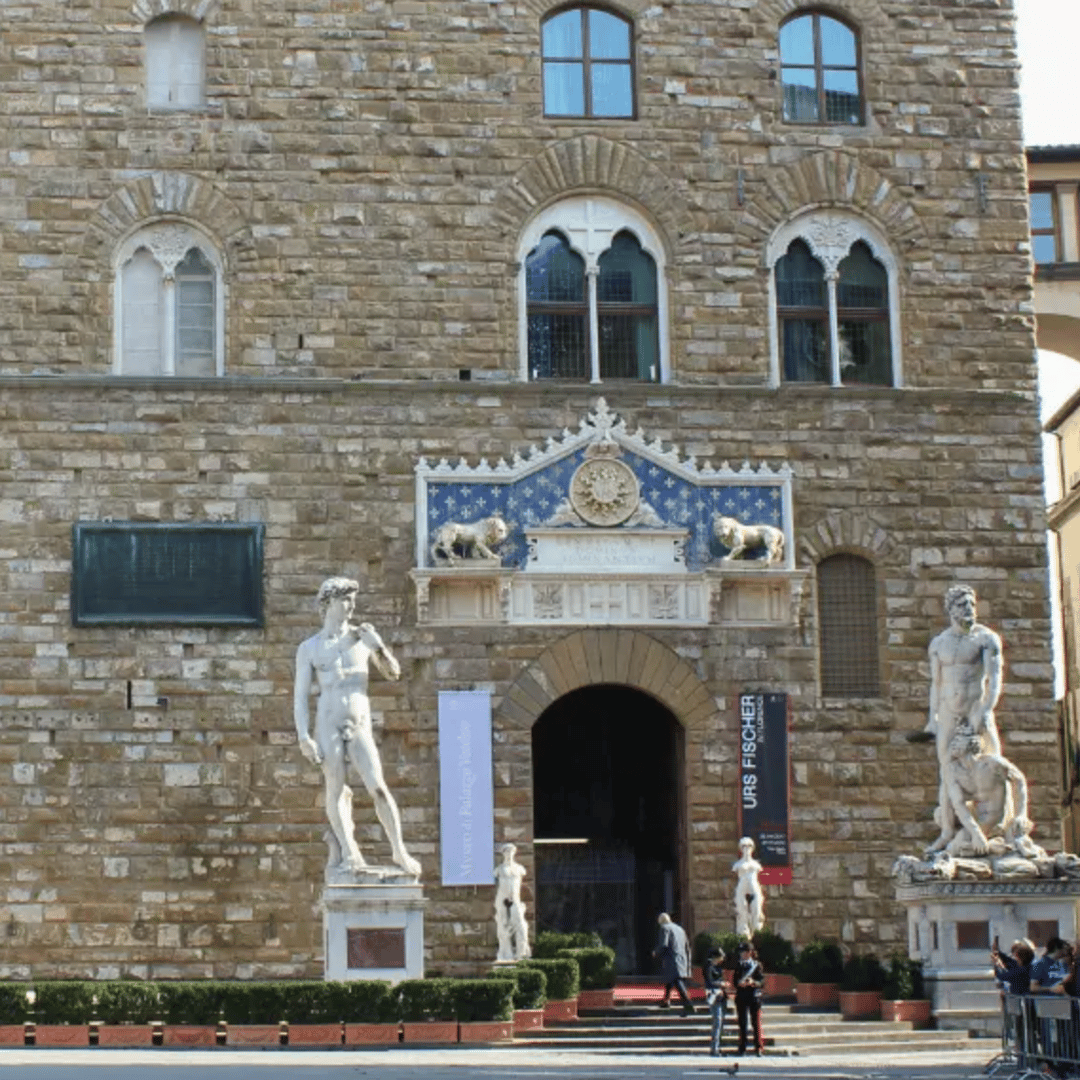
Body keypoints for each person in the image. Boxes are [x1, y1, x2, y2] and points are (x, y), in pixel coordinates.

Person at [293, 576, 421, 878]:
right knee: (335, 788)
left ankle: (399, 850)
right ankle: (350, 851)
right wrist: (303, 736)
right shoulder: (309, 648)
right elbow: (299, 697)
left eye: (353, 599)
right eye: (346, 600)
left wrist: (378, 647)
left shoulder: (362, 639)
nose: (352, 606)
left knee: (377, 786)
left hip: (359, 721)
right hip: (328, 723)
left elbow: (393, 674)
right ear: (329, 603)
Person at [924, 584, 1005, 855]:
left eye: (971, 604)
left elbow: (994, 682)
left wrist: (982, 714)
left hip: (975, 708)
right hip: (948, 711)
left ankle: (999, 826)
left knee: (992, 762)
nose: (969, 609)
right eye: (962, 605)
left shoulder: (986, 639)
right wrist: (932, 718)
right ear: (950, 609)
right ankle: (947, 831)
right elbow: (935, 683)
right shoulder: (939, 643)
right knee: (946, 770)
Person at [494, 842, 530, 961]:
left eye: (511, 851)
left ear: (514, 853)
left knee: (520, 925)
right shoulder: (499, 869)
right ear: (503, 853)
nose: (509, 854)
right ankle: (506, 953)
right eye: (506, 851)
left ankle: (521, 952)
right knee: (503, 925)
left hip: (515, 899)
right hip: (502, 898)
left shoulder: (520, 868)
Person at [654, 913, 695, 1015]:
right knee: (672, 980)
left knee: (677, 980)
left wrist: (656, 953)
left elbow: (664, 944)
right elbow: (687, 945)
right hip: (682, 957)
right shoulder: (680, 929)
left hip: (672, 958)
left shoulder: (664, 928)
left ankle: (688, 1003)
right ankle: (666, 1001)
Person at [733, 941, 764, 1057]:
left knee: (756, 1023)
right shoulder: (738, 965)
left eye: (744, 952)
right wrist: (739, 984)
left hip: (754, 996)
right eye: (741, 952)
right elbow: (734, 981)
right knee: (742, 1023)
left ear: (750, 953)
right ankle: (742, 1047)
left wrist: (753, 982)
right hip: (741, 996)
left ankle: (758, 1048)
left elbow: (761, 981)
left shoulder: (757, 965)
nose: (742, 954)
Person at [702, 945, 729, 1057]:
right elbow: (710, 981)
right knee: (717, 1021)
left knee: (721, 1022)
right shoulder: (709, 967)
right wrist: (721, 984)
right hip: (714, 995)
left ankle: (718, 1046)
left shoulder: (717, 967)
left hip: (721, 995)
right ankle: (714, 1048)